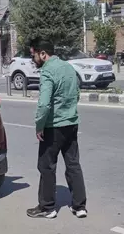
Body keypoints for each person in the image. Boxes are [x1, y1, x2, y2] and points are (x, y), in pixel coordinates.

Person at [26, 38, 88, 219]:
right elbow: (76, 93)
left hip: (53, 126)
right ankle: (79, 206)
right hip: (71, 123)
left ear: (43, 54)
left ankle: (47, 207)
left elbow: (44, 104)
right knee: (73, 164)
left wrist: (39, 125)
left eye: (34, 55)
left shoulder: (47, 71)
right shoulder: (68, 67)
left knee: (46, 166)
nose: (33, 59)